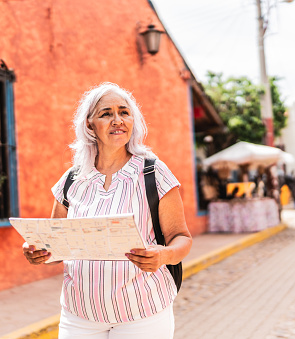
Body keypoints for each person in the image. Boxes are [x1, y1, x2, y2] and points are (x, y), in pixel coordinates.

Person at [23, 82, 192, 338]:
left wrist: (164, 255)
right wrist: (40, 251)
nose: (117, 120)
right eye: (106, 114)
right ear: (90, 124)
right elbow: (57, 247)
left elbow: (182, 238)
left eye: (124, 112)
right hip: (79, 316)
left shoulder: (153, 172)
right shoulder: (71, 180)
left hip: (142, 313)